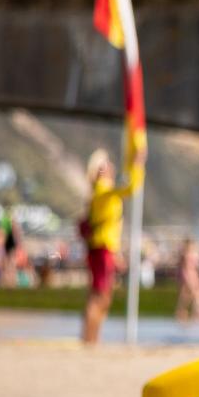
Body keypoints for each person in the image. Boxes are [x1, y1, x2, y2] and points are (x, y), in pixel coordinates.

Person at [79, 147, 140, 346]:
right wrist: (137, 166)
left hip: (102, 247)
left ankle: (91, 337)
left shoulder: (99, 192)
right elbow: (130, 189)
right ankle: (90, 339)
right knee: (100, 296)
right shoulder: (103, 190)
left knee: (100, 295)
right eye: (106, 165)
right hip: (102, 247)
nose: (112, 167)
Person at [174, 238, 199, 323]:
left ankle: (196, 310)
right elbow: (182, 267)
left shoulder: (193, 253)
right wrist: (185, 277)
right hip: (188, 275)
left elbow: (196, 267)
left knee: (194, 293)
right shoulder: (185, 254)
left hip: (194, 275)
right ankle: (193, 311)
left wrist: (198, 276)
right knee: (189, 293)